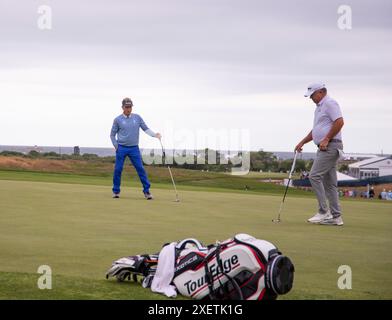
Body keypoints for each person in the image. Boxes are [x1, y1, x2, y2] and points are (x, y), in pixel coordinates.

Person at [295, 83, 344, 226]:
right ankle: (336, 217)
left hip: (330, 146)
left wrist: (327, 138)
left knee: (314, 176)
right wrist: (302, 142)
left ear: (321, 92)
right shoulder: (319, 108)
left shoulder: (330, 103)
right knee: (330, 184)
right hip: (325, 146)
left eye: (312, 95)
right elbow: (316, 130)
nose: (310, 98)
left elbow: (340, 122)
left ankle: (324, 212)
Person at [110, 97, 161, 200]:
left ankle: (147, 191)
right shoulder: (117, 120)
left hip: (134, 148)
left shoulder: (137, 118)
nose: (128, 109)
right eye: (126, 107)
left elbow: (145, 129)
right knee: (118, 169)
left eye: (130, 107)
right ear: (122, 107)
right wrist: (116, 146)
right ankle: (116, 191)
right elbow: (112, 135)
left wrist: (155, 135)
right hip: (121, 148)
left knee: (140, 169)